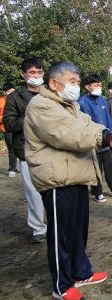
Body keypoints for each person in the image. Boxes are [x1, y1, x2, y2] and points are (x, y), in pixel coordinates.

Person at [24, 61, 112, 300]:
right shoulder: (42, 105)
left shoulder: (71, 106)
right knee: (61, 236)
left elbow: (91, 124)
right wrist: (108, 140)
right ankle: (62, 286)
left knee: (77, 232)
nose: (76, 86)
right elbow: (69, 135)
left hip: (76, 176)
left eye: (77, 81)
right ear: (55, 84)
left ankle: (80, 272)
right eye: (72, 82)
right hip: (56, 180)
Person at [3, 57, 47, 244]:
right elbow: (9, 123)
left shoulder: (50, 93)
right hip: (27, 151)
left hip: (51, 149)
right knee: (33, 193)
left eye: (39, 72)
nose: (36, 76)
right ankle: (38, 228)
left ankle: (56, 223)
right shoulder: (14, 98)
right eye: (32, 73)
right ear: (23, 74)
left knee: (55, 191)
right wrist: (30, 119)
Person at [78, 75, 112, 202]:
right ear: (88, 87)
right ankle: (98, 192)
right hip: (93, 140)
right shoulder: (82, 102)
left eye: (100, 85)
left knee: (110, 166)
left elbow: (108, 119)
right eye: (96, 85)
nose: (99, 88)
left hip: (106, 138)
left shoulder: (102, 100)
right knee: (96, 167)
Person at [0, 82, 17, 177]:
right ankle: (12, 169)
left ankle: (17, 166)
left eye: (13, 91)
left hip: (19, 128)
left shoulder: (17, 100)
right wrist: (6, 118)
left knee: (22, 148)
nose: (12, 93)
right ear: (4, 92)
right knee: (12, 149)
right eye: (10, 91)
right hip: (8, 128)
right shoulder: (1, 101)